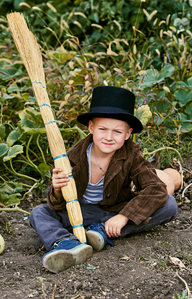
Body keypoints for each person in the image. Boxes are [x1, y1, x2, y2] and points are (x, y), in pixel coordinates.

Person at [29, 86, 178, 273]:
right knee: (39, 213)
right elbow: (58, 206)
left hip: (117, 210)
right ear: (91, 127)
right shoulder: (72, 157)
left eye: (117, 132)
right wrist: (58, 190)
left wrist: (124, 217)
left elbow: (155, 189)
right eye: (102, 129)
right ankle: (67, 244)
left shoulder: (131, 154)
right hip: (82, 213)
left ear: (128, 133)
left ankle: (102, 231)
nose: (109, 137)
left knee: (169, 204)